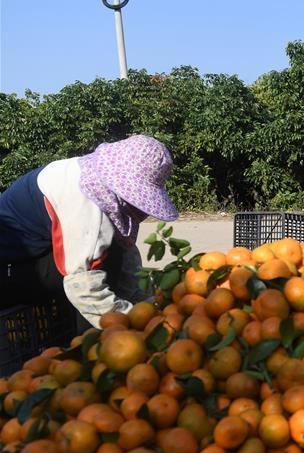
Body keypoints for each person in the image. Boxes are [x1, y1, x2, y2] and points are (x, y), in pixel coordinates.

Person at [0, 135, 179, 329]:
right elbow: (82, 286)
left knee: (109, 253)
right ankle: (88, 346)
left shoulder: (91, 177)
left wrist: (145, 301)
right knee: (98, 267)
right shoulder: (82, 203)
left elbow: (124, 250)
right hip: (9, 271)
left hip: (32, 255)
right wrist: (131, 325)